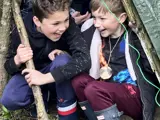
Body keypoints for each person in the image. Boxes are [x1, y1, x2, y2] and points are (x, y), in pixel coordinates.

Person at [0, 0, 91, 120]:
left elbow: (84, 59)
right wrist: (17, 60)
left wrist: (45, 78)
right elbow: (8, 66)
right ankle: (43, 96)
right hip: (33, 73)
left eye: (66, 20)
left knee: (62, 60)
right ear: (37, 21)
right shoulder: (22, 29)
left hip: (57, 73)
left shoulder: (68, 25)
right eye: (56, 23)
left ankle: (68, 113)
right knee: (9, 99)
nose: (63, 27)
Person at [72, 0, 158, 120]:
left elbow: (150, 68)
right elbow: (74, 42)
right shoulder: (92, 33)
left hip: (132, 95)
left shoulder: (133, 38)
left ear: (121, 18)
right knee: (79, 81)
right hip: (104, 90)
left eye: (102, 18)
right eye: (94, 18)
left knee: (94, 89)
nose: (97, 24)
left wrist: (139, 36)